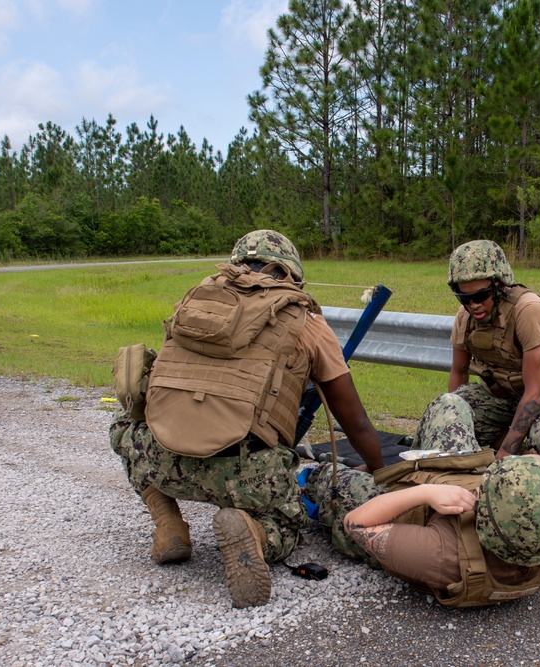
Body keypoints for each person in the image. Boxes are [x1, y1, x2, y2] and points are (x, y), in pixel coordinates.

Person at [110, 229, 384, 608]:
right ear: (291, 273)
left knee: (121, 427)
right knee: (289, 525)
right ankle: (255, 532)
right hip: (246, 475)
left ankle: (168, 520)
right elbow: (355, 423)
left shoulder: (193, 303)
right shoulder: (308, 323)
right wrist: (377, 468)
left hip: (162, 458)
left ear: (236, 265)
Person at [302, 395, 540, 607]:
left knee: (330, 479)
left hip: (402, 507)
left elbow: (357, 524)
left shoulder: (442, 556)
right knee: (450, 403)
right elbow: (539, 466)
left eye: (487, 490)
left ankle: (312, 485)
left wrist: (424, 493)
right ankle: (416, 467)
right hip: (452, 483)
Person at [445, 240, 540, 464]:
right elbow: (459, 371)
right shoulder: (465, 316)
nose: (473, 305)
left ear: (499, 285)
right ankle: (523, 446)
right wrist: (454, 421)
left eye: (480, 296)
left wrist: (503, 457)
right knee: (445, 418)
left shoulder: (528, 311)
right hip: (507, 393)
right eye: (464, 298)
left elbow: (536, 392)